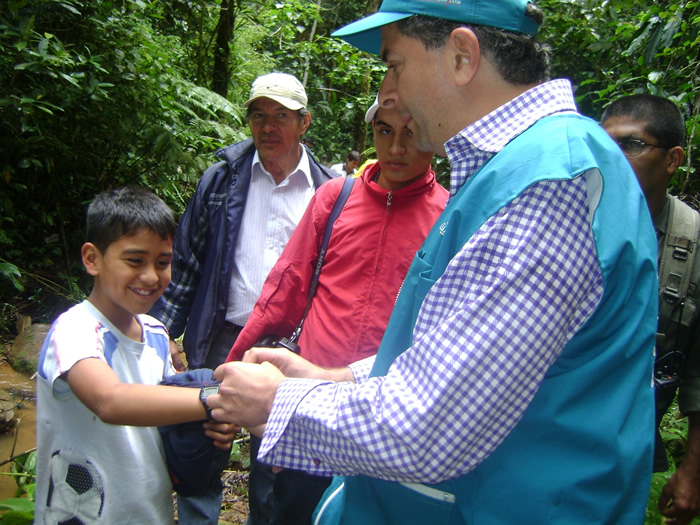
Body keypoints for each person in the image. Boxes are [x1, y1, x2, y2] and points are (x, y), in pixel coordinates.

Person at [210, 1, 658, 523]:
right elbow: (458, 349)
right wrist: (336, 379)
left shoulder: (548, 185)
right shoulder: (517, 170)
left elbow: (429, 428)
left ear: (462, 56)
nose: (388, 92)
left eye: (394, 64)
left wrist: (277, 404)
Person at [228, 97, 448, 524]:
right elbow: (286, 286)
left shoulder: (446, 216)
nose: (396, 148)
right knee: (290, 510)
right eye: (385, 131)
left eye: (411, 134)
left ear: (432, 137)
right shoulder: (336, 197)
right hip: (308, 398)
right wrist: (236, 365)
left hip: (381, 413)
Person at [148, 72, 335, 522]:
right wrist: (163, 331)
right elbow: (188, 260)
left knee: (275, 466)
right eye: (258, 115)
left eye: (281, 116)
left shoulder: (329, 191)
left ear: (304, 122)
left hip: (290, 351)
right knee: (201, 448)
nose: (268, 127)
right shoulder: (221, 180)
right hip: (221, 336)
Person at [35, 187, 236, 524]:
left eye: (163, 263)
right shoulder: (74, 329)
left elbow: (162, 420)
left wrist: (211, 427)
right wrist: (216, 399)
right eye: (134, 261)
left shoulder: (157, 334)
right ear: (92, 259)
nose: (151, 276)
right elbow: (109, 401)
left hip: (150, 513)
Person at [602, 94, 700, 525]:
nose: (614, 157)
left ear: (673, 159)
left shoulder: (692, 243)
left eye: (632, 145)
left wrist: (692, 471)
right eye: (606, 144)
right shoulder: (569, 222)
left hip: (627, 448)